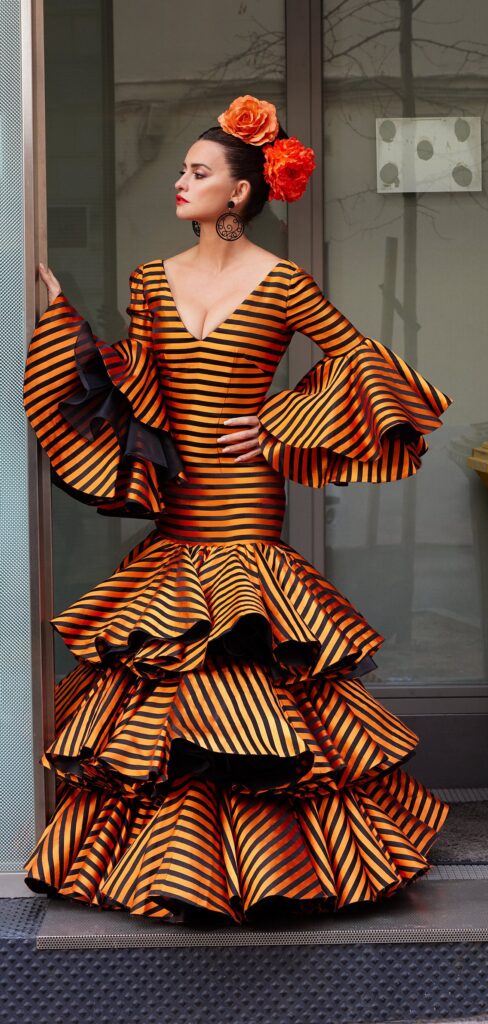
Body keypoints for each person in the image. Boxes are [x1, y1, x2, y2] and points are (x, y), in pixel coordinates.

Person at [23, 95, 452, 926]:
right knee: (173, 674)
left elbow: (365, 361)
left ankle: (270, 870)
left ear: (242, 192)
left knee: (246, 657)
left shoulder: (285, 281)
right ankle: (185, 871)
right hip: (183, 498)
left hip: (249, 496)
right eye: (183, 170)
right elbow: (132, 392)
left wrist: (283, 423)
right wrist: (60, 325)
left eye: (198, 172)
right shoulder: (151, 279)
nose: (180, 183)